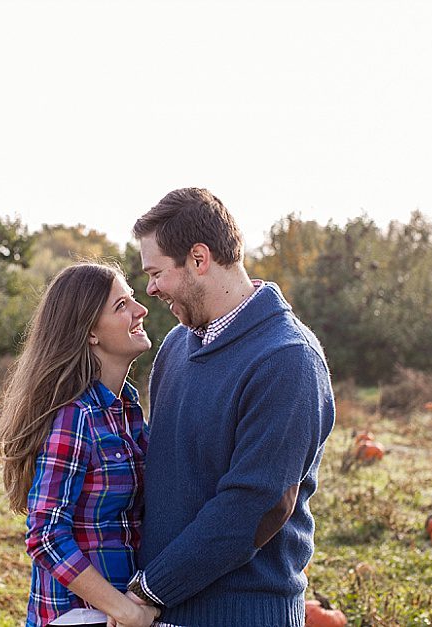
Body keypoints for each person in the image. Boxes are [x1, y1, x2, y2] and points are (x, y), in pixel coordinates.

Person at [126, 188, 336, 627]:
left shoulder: (286, 359)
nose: (151, 288)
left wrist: (151, 589)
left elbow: (255, 506)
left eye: (157, 273)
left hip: (243, 612)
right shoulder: (176, 346)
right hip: (162, 609)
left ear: (198, 258)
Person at [0, 262, 161, 627]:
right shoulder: (76, 416)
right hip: (78, 614)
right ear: (90, 333)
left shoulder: (127, 409)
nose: (140, 310)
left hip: (118, 609)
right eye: (121, 305)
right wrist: (122, 609)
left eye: (132, 298)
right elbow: (46, 535)